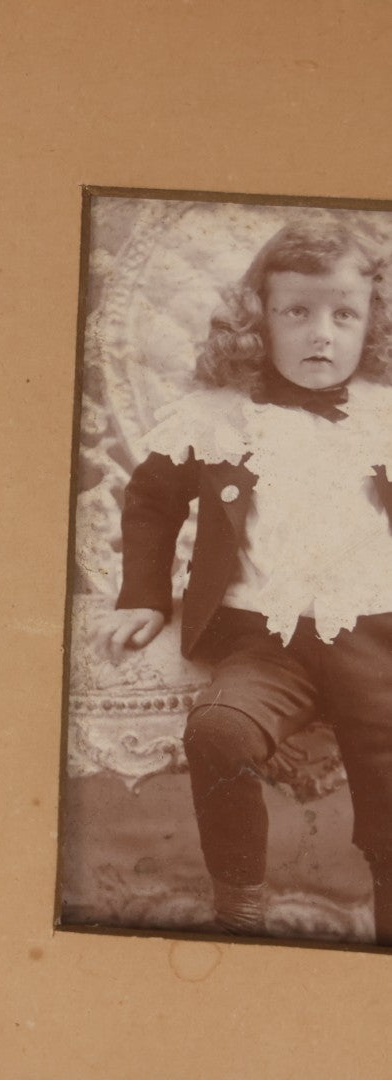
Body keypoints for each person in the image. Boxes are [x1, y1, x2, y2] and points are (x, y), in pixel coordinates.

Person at [97, 217, 392, 942]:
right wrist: (141, 595)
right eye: (296, 311)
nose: (320, 334)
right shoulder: (218, 416)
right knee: (218, 731)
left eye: (342, 314)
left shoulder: (383, 417)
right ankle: (241, 905)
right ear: (257, 317)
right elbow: (150, 503)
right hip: (267, 643)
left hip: (376, 641)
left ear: (369, 324)